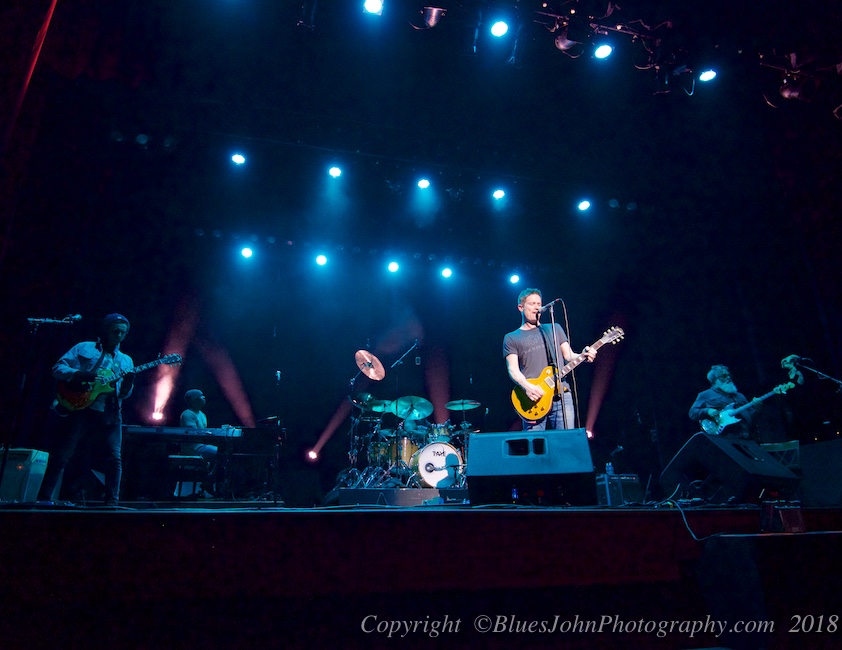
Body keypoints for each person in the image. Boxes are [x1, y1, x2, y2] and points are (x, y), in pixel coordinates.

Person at [38, 313, 135, 506]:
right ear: (106, 330)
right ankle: (44, 499)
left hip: (110, 411)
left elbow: (124, 395)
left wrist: (127, 385)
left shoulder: (126, 361)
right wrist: (80, 374)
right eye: (115, 330)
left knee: (114, 458)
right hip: (80, 407)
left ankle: (112, 503)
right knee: (63, 454)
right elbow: (58, 368)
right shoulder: (83, 348)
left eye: (123, 332)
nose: (119, 335)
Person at [503, 288, 596, 430]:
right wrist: (528, 387)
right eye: (532, 303)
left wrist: (583, 355)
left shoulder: (554, 328)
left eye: (539, 303)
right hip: (533, 398)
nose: (536, 307)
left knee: (565, 443)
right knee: (535, 446)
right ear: (521, 308)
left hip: (561, 394)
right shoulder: (511, 338)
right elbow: (513, 369)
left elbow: (569, 356)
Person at [689, 365, 757, 439]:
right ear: (714, 380)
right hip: (725, 438)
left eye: (729, 375)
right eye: (724, 376)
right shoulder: (705, 395)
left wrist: (757, 408)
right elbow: (692, 412)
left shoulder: (740, 396)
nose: (728, 378)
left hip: (747, 437)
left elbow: (751, 417)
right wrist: (708, 411)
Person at [179, 389, 218, 497]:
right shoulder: (188, 414)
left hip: (201, 446)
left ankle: (210, 480)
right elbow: (194, 433)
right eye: (201, 396)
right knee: (221, 453)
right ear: (193, 400)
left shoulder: (202, 415)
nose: (204, 398)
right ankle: (209, 481)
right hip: (193, 448)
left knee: (225, 454)